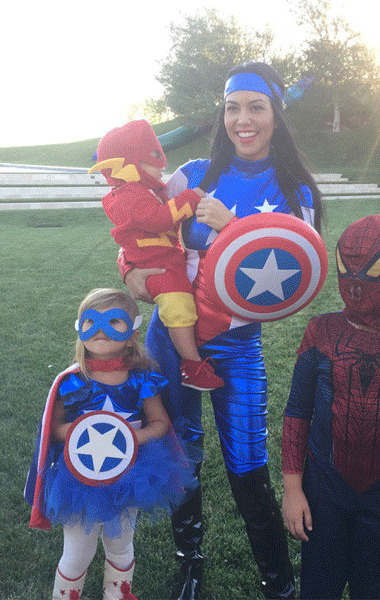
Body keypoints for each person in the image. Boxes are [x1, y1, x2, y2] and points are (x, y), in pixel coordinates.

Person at [121, 62, 325, 600]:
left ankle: (278, 582)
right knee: (181, 450)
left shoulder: (295, 191)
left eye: (256, 107)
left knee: (248, 463)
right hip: (170, 339)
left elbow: (296, 276)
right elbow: (139, 234)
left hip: (236, 345)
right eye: (233, 108)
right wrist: (129, 271)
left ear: (276, 115)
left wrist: (231, 227)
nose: (243, 119)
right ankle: (189, 563)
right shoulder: (192, 173)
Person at [281, 215, 380, 600]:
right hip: (321, 495)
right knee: (318, 587)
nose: (354, 283)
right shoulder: (320, 333)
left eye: (370, 270)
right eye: (346, 269)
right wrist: (292, 488)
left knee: (373, 589)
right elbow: (297, 413)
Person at [24, 288, 197, 600]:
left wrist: (130, 437)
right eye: (92, 321)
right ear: (80, 329)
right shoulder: (73, 381)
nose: (101, 330)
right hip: (80, 478)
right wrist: (79, 432)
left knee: (120, 546)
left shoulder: (141, 379)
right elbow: (54, 428)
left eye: (114, 321)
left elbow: (159, 423)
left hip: (129, 474)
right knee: (77, 552)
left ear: (132, 334)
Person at [89, 120, 223, 392]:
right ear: (130, 165)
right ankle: (192, 365)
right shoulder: (129, 195)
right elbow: (160, 219)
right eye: (153, 158)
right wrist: (193, 196)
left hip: (166, 260)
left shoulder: (143, 190)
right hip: (157, 266)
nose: (162, 166)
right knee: (179, 308)